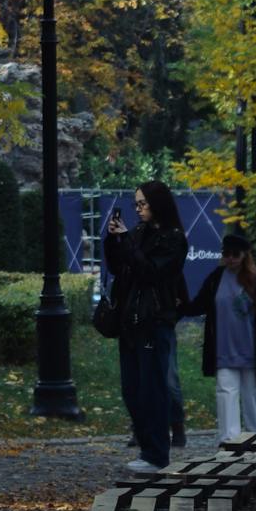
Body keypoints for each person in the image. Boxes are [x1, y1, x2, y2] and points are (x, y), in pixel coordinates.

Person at [103, 181, 188, 472]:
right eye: (135, 204)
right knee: (132, 388)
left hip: (153, 320)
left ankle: (156, 454)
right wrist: (114, 240)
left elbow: (152, 272)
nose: (138, 209)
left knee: (152, 387)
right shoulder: (138, 232)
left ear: (157, 203)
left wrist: (127, 242)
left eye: (143, 204)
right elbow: (120, 268)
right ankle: (147, 447)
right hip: (130, 320)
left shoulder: (173, 238)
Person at [187, 224, 256, 445]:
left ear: (244, 255)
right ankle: (229, 441)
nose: (230, 259)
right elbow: (200, 303)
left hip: (251, 350)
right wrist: (180, 306)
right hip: (224, 349)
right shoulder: (216, 278)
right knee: (225, 394)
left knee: (253, 396)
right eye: (226, 254)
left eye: (235, 254)